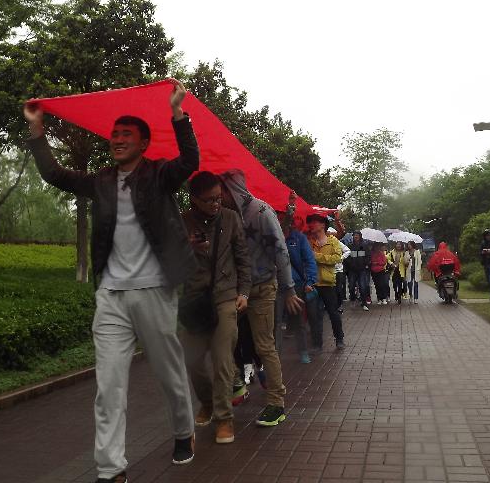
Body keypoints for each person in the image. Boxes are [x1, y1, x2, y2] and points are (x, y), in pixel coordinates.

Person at [23, 80, 197, 483]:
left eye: (126, 135)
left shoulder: (160, 175)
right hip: (111, 296)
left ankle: (183, 430)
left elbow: (190, 160)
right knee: (109, 386)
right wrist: (36, 128)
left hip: (154, 290)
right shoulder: (101, 181)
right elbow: (54, 174)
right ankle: (110, 468)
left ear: (143, 143)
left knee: (169, 373)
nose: (117, 140)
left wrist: (177, 113)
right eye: (114, 134)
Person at [218, 169, 304, 427]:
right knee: (223, 338)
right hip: (235, 289)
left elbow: (280, 250)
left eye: (222, 191)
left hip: (263, 287)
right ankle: (236, 383)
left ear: (232, 189)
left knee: (265, 345)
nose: (218, 196)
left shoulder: (262, 212)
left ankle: (276, 403)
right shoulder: (225, 215)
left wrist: (289, 289)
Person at [180, 171, 252, 445]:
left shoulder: (231, 219)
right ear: (194, 199)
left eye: (218, 198)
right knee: (192, 359)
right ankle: (208, 402)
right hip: (194, 300)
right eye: (209, 200)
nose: (215, 204)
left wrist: (244, 292)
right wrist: (188, 248)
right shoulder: (182, 221)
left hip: (225, 297)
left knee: (223, 360)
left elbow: (243, 258)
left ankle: (224, 418)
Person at [281, 212, 318, 363]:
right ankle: (274, 354)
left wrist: (310, 281)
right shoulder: (269, 237)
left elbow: (309, 260)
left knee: (298, 319)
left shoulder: (298, 238)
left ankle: (303, 350)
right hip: (274, 283)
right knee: (274, 321)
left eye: (283, 217)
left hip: (295, 284)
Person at [306, 213, 346, 351]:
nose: (312, 224)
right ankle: (317, 343)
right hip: (313, 283)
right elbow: (306, 259)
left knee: (333, 313)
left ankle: (339, 339)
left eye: (315, 222)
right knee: (314, 315)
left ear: (323, 225)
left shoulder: (332, 241)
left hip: (328, 283)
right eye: (311, 222)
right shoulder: (309, 241)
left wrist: (317, 257)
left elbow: (337, 258)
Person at [345, 231, 371, 310]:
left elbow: (368, 256)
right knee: (351, 286)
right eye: (354, 235)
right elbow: (347, 257)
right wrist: (350, 265)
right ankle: (353, 299)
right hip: (352, 270)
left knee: (363, 286)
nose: (356, 236)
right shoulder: (349, 246)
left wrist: (365, 264)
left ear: (360, 236)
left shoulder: (364, 245)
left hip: (362, 270)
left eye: (357, 235)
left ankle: (364, 303)